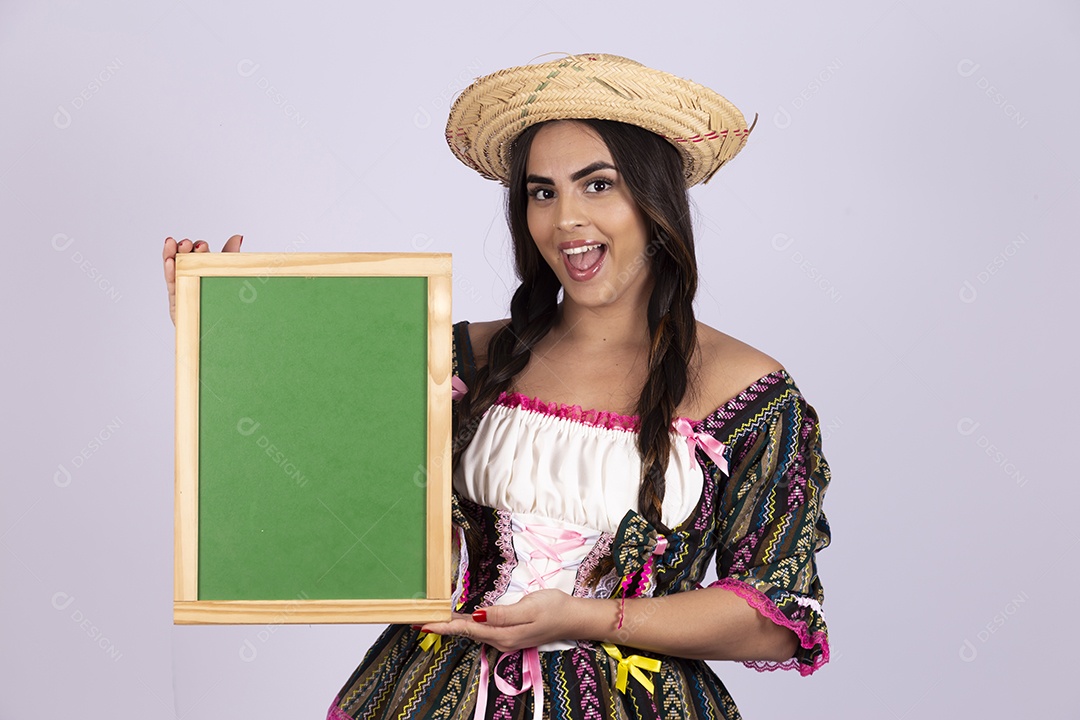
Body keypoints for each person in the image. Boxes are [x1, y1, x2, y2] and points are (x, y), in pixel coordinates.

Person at [162, 53, 832, 720]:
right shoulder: (466, 355)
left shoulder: (748, 391)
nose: (565, 218)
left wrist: (586, 616)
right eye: (542, 192)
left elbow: (775, 617)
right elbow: (319, 480)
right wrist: (226, 336)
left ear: (655, 200)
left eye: (597, 185)